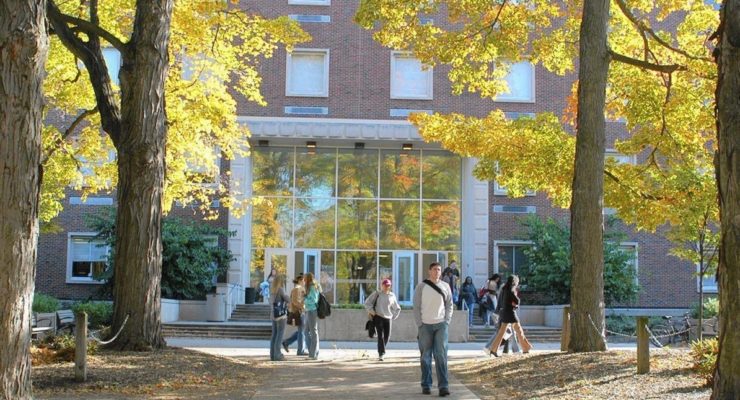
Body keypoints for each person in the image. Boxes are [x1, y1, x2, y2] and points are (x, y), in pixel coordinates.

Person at [413, 262, 454, 397]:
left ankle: (443, 386)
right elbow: (416, 306)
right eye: (435, 269)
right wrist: (419, 323)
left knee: (440, 355)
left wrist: (447, 321)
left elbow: (449, 305)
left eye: (439, 270)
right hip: (425, 325)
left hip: (441, 324)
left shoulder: (445, 286)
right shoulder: (421, 286)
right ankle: (426, 385)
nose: (437, 272)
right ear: (429, 271)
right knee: (425, 357)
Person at [487, 275, 533, 357]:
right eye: (517, 282)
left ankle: (493, 350)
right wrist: (515, 304)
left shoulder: (504, 289)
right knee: (519, 331)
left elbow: (506, 302)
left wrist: (513, 304)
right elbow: (517, 301)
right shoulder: (511, 290)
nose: (517, 284)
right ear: (514, 282)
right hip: (511, 314)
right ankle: (525, 348)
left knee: (502, 333)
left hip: (505, 313)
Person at [364, 278, 402, 361]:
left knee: (387, 336)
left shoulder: (392, 296)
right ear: (382, 285)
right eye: (385, 285)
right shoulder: (377, 294)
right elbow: (367, 303)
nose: (386, 287)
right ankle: (381, 353)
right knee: (380, 336)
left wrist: (394, 316)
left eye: (388, 285)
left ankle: (381, 349)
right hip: (378, 317)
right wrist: (372, 312)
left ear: (390, 286)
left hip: (388, 318)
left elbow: (397, 308)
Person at [282, 274, 308, 356]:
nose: (304, 282)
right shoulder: (297, 289)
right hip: (299, 312)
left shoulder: (301, 288)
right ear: (300, 280)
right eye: (303, 280)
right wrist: (303, 307)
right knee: (301, 331)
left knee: (302, 331)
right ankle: (300, 351)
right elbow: (295, 301)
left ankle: (287, 342)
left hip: (301, 311)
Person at [268, 274, 289, 361]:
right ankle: (278, 354)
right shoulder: (280, 289)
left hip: (273, 314)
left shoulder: (272, 289)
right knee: (280, 334)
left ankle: (272, 355)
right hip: (281, 315)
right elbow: (287, 299)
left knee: (274, 335)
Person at [304, 272, 322, 360]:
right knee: (306, 331)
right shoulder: (310, 286)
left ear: (308, 279)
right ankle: (313, 352)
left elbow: (314, 300)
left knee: (313, 332)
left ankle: (313, 354)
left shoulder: (312, 287)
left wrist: (304, 299)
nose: (303, 280)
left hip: (312, 310)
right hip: (309, 310)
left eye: (305, 278)